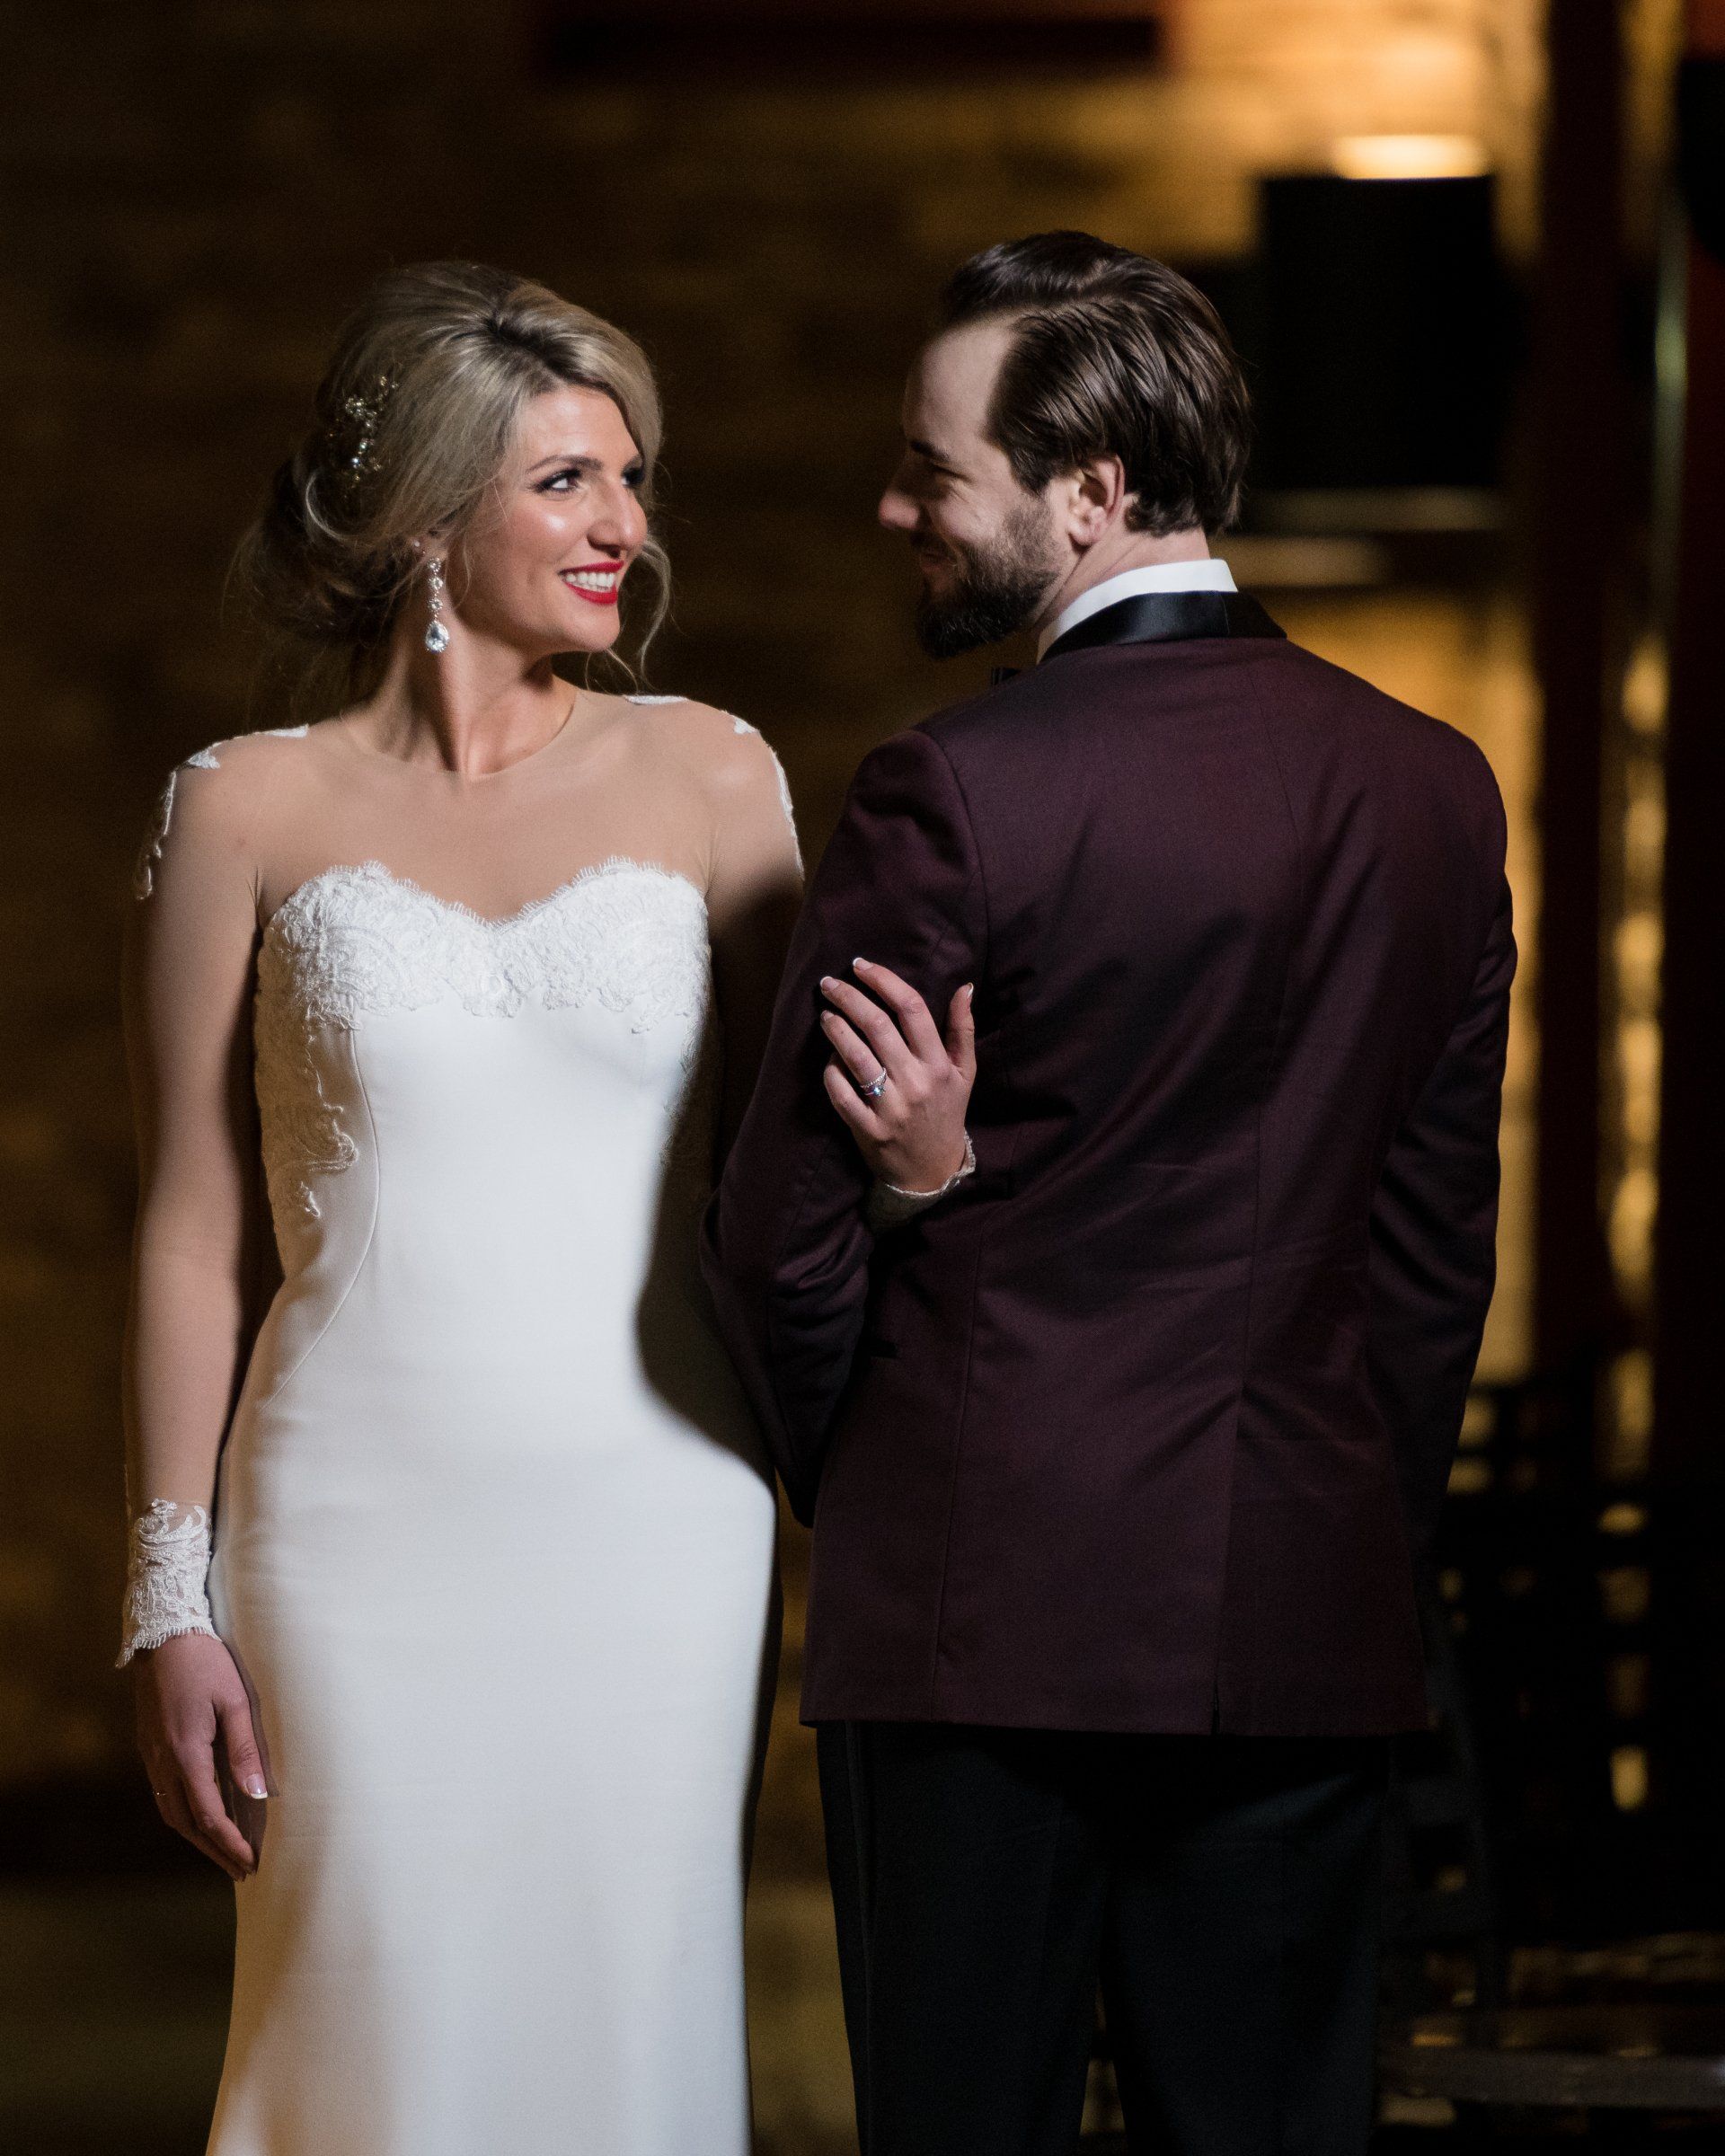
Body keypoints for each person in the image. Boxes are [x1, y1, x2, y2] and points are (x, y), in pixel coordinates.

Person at [703, 230, 1515, 2156]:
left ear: (1092, 491)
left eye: (935, 467)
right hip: (1305, 1614)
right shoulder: (1437, 789)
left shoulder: (955, 788)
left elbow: (777, 1232)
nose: (894, 500)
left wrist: (903, 1478)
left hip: (992, 1623)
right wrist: (1340, 1526)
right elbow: (1428, 1261)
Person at [119, 261, 831, 2156]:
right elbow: (194, 1229)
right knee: (373, 2021)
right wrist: (164, 1596)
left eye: (632, 477)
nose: (626, 525)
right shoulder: (242, 811)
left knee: (621, 2016)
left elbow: (801, 1186)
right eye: (569, 482)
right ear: (433, 518)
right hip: (347, 1521)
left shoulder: (713, 772)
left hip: (659, 1516)